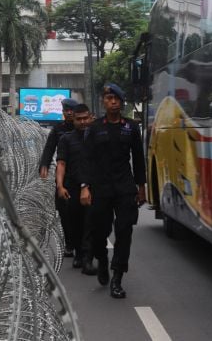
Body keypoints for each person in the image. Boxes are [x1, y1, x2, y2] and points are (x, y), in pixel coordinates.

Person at [81, 83, 146, 299]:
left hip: (124, 187)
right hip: (100, 188)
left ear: (121, 101)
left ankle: (117, 278)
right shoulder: (95, 128)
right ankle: (102, 260)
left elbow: (138, 159)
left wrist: (141, 187)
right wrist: (85, 187)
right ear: (103, 101)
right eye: (109, 98)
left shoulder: (131, 128)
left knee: (124, 231)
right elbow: (87, 160)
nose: (113, 102)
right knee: (100, 231)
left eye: (116, 98)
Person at [39, 98, 80, 257]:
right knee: (64, 211)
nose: (69, 113)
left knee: (80, 213)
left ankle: (80, 245)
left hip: (81, 175)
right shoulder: (58, 129)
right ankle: (70, 243)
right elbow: (49, 149)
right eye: (66, 110)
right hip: (63, 176)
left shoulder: (84, 128)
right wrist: (44, 165)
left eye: (71, 110)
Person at [55, 104, 92, 268]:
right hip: (72, 187)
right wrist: (60, 186)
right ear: (73, 120)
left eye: (86, 118)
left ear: (90, 118)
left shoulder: (97, 137)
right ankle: (79, 253)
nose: (83, 122)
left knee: (92, 222)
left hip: (94, 187)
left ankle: (87, 254)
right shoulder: (66, 139)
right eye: (79, 119)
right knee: (75, 222)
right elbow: (61, 163)